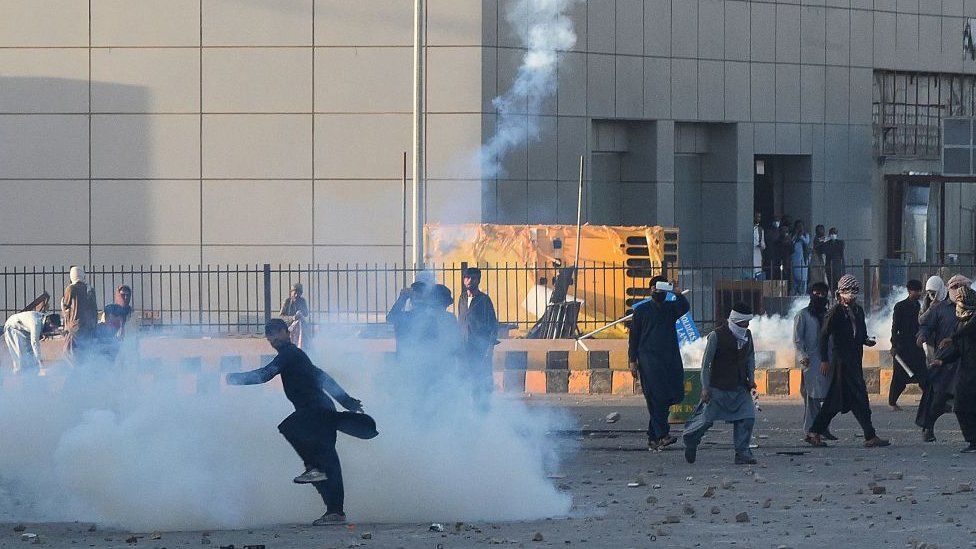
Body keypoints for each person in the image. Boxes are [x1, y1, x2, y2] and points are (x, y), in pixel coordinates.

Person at [226, 319, 373, 526]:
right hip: (321, 411)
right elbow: (323, 378)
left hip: (316, 411)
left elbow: (264, 375)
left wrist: (232, 378)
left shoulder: (290, 355)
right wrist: (347, 401)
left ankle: (318, 475)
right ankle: (335, 512)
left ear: (287, 333)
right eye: (269, 334)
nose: (273, 338)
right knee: (325, 465)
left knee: (292, 430)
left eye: (277, 332)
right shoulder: (298, 357)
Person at [807, 275, 890, 448]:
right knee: (853, 399)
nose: (851, 294)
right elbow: (824, 336)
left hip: (854, 361)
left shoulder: (858, 311)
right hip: (841, 363)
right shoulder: (835, 312)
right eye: (847, 291)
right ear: (840, 292)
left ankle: (868, 435)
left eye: (854, 291)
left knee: (851, 401)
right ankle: (868, 435)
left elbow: (861, 334)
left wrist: (866, 341)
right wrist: (824, 359)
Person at [682, 303, 758, 465]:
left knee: (747, 417)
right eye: (744, 323)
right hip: (718, 387)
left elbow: (750, 357)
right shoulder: (716, 336)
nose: (747, 326)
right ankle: (690, 439)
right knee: (705, 421)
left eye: (748, 323)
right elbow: (706, 364)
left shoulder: (747, 335)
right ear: (736, 321)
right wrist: (705, 387)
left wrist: (751, 378)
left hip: (739, 386)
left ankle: (742, 452)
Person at [628, 275, 690, 451]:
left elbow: (684, 307)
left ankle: (653, 438)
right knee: (657, 397)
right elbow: (634, 337)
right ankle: (662, 435)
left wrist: (677, 293)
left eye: (662, 288)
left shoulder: (670, 308)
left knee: (671, 395)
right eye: (656, 288)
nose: (658, 291)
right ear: (651, 290)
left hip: (669, 359)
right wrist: (632, 361)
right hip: (649, 360)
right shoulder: (642, 311)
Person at [916, 274, 964, 442]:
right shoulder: (939, 309)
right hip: (944, 360)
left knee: (965, 398)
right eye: (955, 287)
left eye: (962, 287)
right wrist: (922, 335)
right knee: (939, 398)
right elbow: (926, 325)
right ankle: (928, 426)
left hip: (965, 360)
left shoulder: (970, 307)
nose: (958, 290)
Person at [931, 286, 976, 453]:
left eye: (961, 302)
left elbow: (969, 330)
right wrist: (941, 360)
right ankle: (973, 440)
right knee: (961, 406)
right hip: (967, 372)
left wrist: (952, 338)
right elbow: (957, 349)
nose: (958, 306)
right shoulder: (961, 323)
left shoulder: (970, 323)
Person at [794, 282, 837, 443]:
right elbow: (797, 340)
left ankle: (822, 427)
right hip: (810, 362)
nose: (820, 297)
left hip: (828, 360)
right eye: (816, 293)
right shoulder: (802, 315)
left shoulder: (828, 315)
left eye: (823, 294)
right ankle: (812, 432)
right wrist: (802, 356)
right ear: (811, 294)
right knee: (812, 397)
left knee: (828, 397)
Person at [456, 267, 498, 402]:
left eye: (473, 278)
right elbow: (460, 321)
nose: (469, 281)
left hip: (480, 346)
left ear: (478, 280)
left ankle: (481, 406)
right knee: (464, 378)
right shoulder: (461, 299)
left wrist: (490, 347)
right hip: (464, 346)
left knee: (480, 378)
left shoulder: (484, 300)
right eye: (467, 278)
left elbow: (493, 324)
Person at [889, 279, 928, 410]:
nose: (918, 293)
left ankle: (931, 399)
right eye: (915, 291)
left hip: (916, 346)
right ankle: (892, 402)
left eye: (919, 290)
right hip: (903, 347)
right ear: (909, 291)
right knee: (899, 377)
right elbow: (895, 327)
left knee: (923, 374)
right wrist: (893, 345)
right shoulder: (900, 306)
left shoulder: (919, 307)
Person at [61, 266, 98, 365]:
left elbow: (66, 305)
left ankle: (75, 374)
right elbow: (94, 308)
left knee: (69, 353)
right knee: (85, 353)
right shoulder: (90, 289)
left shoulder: (71, 288)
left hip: (74, 327)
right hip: (88, 327)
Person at [280, 282, 310, 348]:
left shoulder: (302, 301)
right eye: (295, 292)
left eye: (299, 293)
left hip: (300, 328)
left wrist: (301, 313)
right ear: (291, 292)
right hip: (289, 328)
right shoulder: (287, 301)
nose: (296, 295)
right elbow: (281, 316)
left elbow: (306, 314)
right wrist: (292, 318)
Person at [790, 221, 811, 295]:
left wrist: (801, 236)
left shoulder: (806, 235)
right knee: (795, 277)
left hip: (803, 259)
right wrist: (796, 234)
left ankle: (803, 293)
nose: (799, 228)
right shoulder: (793, 235)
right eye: (798, 226)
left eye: (801, 226)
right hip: (795, 259)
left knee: (803, 277)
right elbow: (791, 242)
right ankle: (796, 292)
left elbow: (806, 242)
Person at [753, 212, 766, 280]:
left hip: (758, 253)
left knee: (757, 270)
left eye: (759, 217)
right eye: (756, 217)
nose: (758, 218)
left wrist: (761, 245)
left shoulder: (760, 229)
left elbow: (763, 243)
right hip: (750, 251)